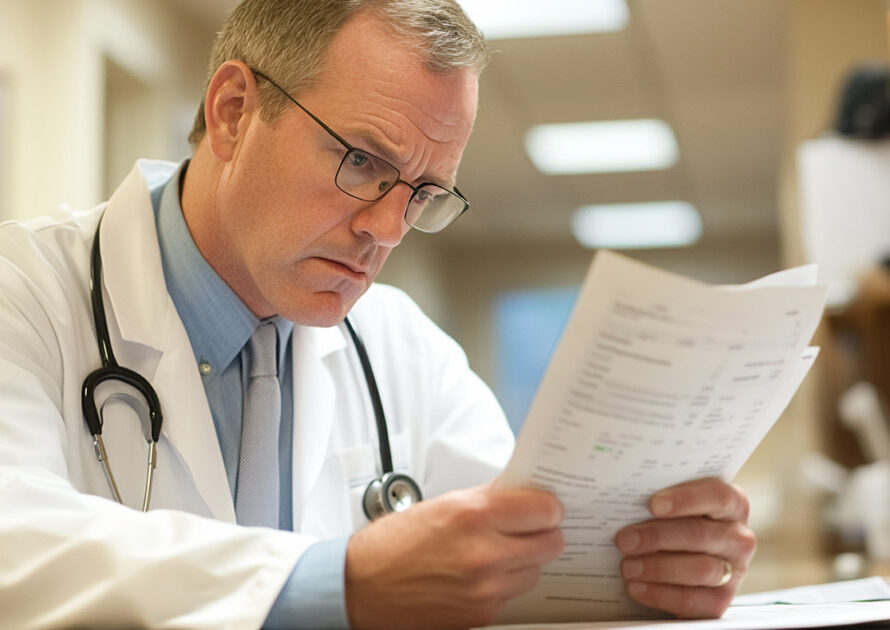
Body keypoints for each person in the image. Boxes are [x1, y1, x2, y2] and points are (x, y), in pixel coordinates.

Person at [0, 1, 755, 628]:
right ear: (233, 112)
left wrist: (652, 562)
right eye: (362, 160)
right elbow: (18, 549)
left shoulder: (403, 348)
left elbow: (538, 567)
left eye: (424, 192)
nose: (388, 229)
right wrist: (341, 582)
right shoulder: (24, 293)